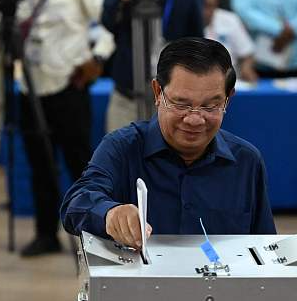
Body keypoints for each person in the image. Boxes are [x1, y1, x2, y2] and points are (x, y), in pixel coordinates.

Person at [61, 37, 276, 246]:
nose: (194, 118)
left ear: (228, 98)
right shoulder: (122, 148)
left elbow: (265, 248)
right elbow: (75, 205)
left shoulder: (246, 161)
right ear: (157, 92)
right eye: (181, 104)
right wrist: (109, 213)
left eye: (210, 106)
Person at [15, 0, 114, 256]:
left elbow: (111, 23)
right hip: (29, 88)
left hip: (71, 85)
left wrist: (97, 57)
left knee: (80, 163)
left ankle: (90, 233)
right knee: (39, 166)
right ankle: (46, 234)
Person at [101, 0, 203, 132]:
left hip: (172, 101)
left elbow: (197, 47)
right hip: (126, 95)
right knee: (120, 155)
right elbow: (108, 23)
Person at [202, 0, 258, 83]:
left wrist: (246, 68)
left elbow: (247, 54)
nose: (208, 11)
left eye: (212, 5)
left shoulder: (230, 20)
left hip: (229, 82)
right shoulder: (184, 22)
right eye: (205, 5)